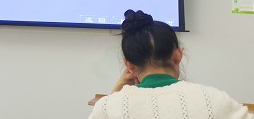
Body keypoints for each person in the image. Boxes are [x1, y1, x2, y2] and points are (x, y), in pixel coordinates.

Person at [90, 9, 253, 119]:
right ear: (178, 55)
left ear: (129, 65)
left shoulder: (108, 108)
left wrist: (117, 90)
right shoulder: (215, 100)